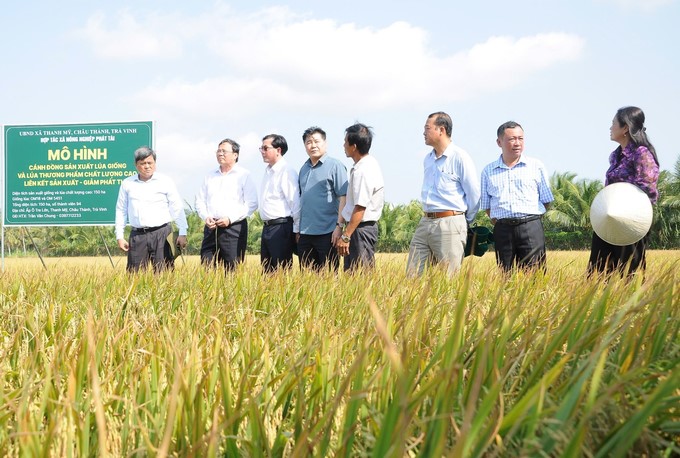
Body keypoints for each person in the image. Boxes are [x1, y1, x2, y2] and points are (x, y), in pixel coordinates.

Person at [588, 106, 659, 276]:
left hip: (631, 221)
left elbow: (647, 188)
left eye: (613, 124)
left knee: (628, 272)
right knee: (599, 270)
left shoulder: (641, 154)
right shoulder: (616, 155)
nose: (610, 128)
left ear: (625, 128)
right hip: (609, 219)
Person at [406, 112, 480, 276]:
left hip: (450, 222)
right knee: (412, 275)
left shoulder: (460, 157)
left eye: (427, 128)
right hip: (425, 221)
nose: (423, 132)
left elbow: (474, 194)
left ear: (441, 130)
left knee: (448, 279)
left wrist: (463, 220)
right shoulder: (428, 159)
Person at [480, 121, 554, 271]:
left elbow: (546, 201)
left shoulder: (536, 166)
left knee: (535, 275)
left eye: (520, 138)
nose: (517, 143)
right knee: (505, 275)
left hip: (530, 226)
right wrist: (502, 222)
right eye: (512, 139)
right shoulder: (488, 171)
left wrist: (530, 219)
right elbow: (487, 206)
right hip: (503, 230)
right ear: (499, 142)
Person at [114, 146, 188, 272]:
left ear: (155, 163)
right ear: (136, 165)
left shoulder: (165, 181)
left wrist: (182, 232)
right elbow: (121, 210)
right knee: (134, 275)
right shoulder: (127, 183)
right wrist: (119, 236)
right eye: (143, 163)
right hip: (138, 235)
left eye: (150, 163)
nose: (147, 166)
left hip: (162, 234)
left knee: (165, 274)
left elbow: (176, 207)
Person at [195, 138, 258, 270]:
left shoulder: (244, 175)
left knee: (232, 268)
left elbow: (252, 203)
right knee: (206, 267)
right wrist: (206, 217)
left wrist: (230, 219)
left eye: (224, 151)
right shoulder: (210, 175)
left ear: (235, 155)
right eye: (218, 151)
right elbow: (200, 200)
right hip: (211, 228)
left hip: (234, 228)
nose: (220, 154)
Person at [298, 126, 348, 271]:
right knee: (307, 280)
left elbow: (343, 197)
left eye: (316, 141)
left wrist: (339, 227)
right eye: (308, 142)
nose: (313, 145)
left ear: (325, 143)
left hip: (328, 233)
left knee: (329, 277)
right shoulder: (304, 168)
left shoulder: (335, 166)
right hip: (306, 233)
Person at [336, 123, 385, 271]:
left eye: (346, 142)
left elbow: (360, 207)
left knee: (360, 277)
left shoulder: (362, 170)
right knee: (354, 277)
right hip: (358, 229)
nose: (343, 145)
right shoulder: (367, 164)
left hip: (360, 230)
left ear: (354, 146)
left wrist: (346, 236)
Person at [259, 134, 301, 272]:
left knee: (281, 272)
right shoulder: (268, 171)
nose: (262, 152)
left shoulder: (287, 171)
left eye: (266, 148)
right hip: (267, 228)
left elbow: (295, 203)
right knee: (267, 271)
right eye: (261, 148)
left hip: (281, 227)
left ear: (278, 150)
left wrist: (297, 230)